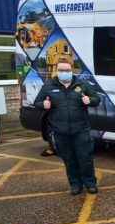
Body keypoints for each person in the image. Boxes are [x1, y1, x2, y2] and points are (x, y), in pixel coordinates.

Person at [34, 57, 101, 195]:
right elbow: (37, 103)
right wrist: (43, 105)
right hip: (60, 131)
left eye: (67, 70)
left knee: (85, 158)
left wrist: (90, 100)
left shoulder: (82, 85)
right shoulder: (49, 86)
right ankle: (75, 184)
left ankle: (90, 183)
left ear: (72, 70)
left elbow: (97, 100)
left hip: (81, 129)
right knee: (69, 160)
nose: (64, 72)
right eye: (61, 70)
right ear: (57, 71)